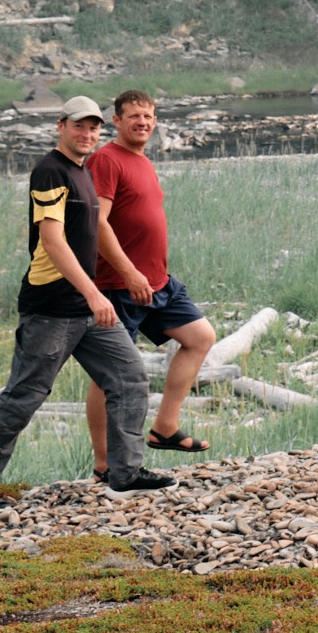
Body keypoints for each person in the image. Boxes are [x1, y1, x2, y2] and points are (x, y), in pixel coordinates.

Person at [0, 96, 176, 511]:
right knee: (25, 394)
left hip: (87, 309)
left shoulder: (82, 173)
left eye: (93, 128)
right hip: (52, 309)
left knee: (130, 378)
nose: (87, 134)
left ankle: (124, 474)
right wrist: (95, 293)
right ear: (61, 126)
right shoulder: (50, 171)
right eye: (79, 126)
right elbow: (52, 240)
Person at [82, 89, 218, 480]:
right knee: (107, 375)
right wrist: (128, 273)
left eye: (149, 116)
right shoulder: (106, 160)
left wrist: (147, 275)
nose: (143, 122)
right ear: (117, 121)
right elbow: (97, 223)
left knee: (200, 337)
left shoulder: (141, 160)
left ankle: (165, 428)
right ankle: (105, 463)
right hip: (119, 285)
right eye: (134, 116)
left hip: (158, 283)